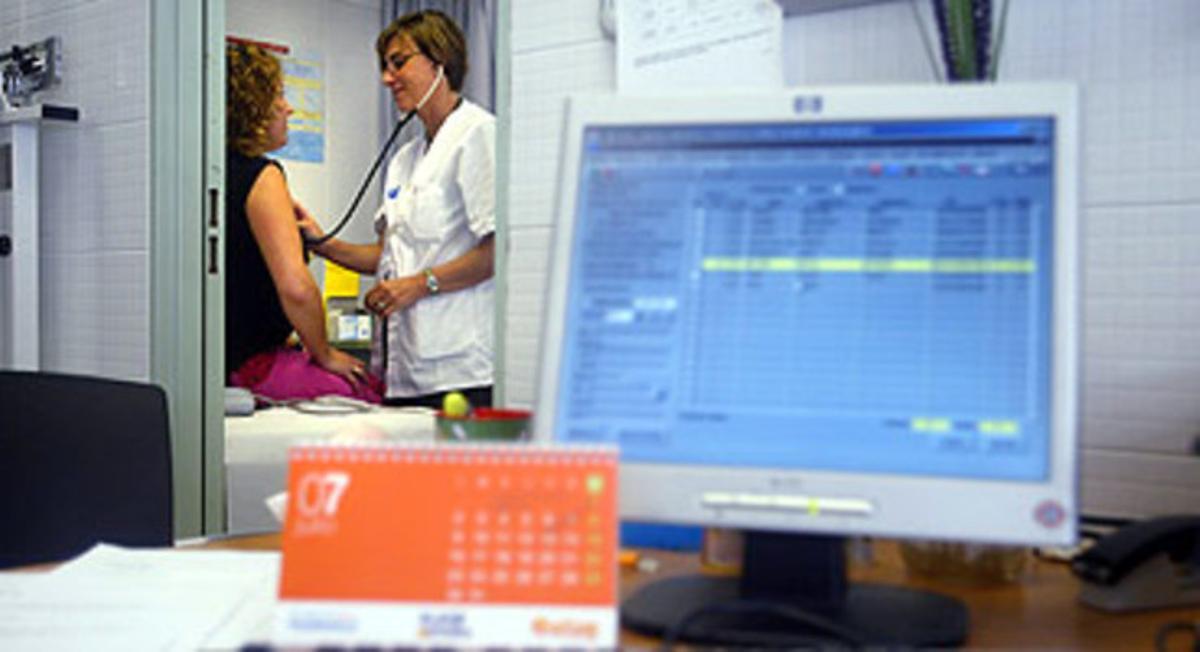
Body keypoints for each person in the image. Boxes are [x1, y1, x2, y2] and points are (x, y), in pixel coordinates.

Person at [298, 10, 495, 409]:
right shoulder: (405, 158)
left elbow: (498, 253)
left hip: (462, 372)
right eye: (385, 66)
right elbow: (386, 256)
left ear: (439, 61)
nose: (387, 78)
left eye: (399, 62)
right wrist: (320, 242)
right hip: (404, 370)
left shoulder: (477, 134)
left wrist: (418, 285)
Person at [225, 42, 381, 403]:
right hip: (255, 365)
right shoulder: (263, 176)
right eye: (277, 95)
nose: (288, 107)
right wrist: (323, 352)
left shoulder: (213, 175)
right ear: (252, 107)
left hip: (221, 363)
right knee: (367, 392)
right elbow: (295, 287)